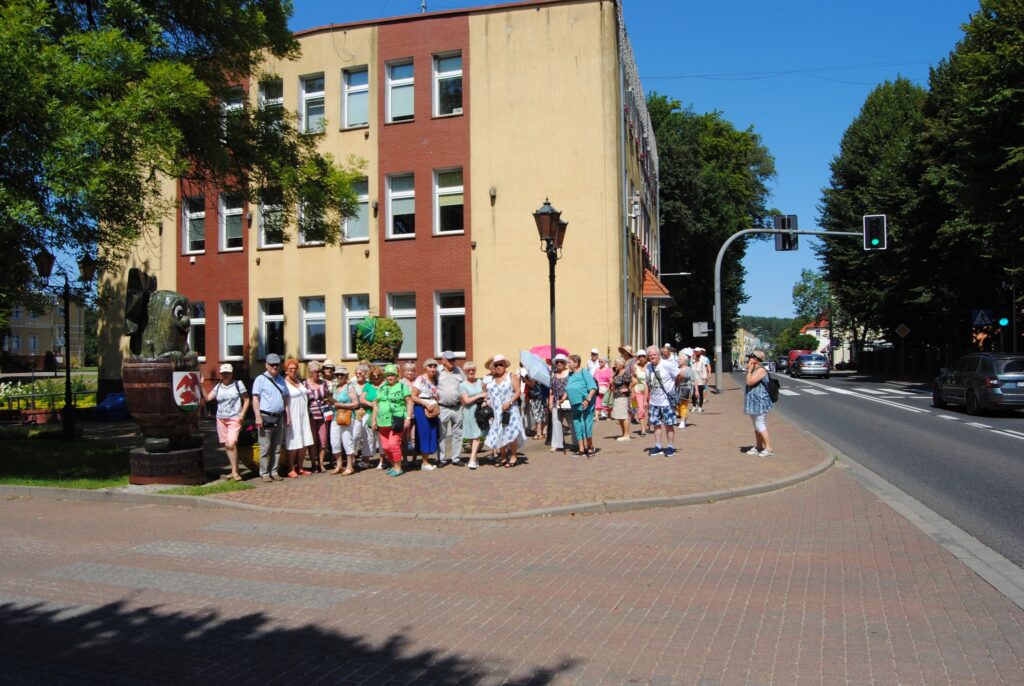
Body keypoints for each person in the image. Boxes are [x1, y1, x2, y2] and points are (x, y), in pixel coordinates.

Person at [205, 362, 250, 481]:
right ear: (220, 374)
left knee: (231, 443)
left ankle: (235, 472)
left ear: (232, 374)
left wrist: (242, 414)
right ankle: (234, 470)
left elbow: (246, 399)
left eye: (227, 373)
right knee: (227, 445)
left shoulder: (238, 384)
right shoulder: (218, 386)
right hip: (221, 419)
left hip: (234, 418)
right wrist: (200, 385)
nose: (225, 375)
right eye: (223, 373)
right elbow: (207, 398)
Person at [371, 364, 414, 476]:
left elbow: (409, 402)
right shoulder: (381, 387)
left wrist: (408, 418)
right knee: (385, 447)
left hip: (397, 419)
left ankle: (398, 468)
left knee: (393, 444)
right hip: (382, 421)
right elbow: (376, 405)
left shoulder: (402, 387)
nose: (390, 377)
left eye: (392, 375)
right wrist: (373, 420)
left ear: (396, 376)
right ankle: (393, 465)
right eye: (388, 375)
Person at [251, 353, 288, 483]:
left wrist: (287, 415)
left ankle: (274, 471)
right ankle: (264, 473)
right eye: (272, 364)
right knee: (265, 447)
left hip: (279, 417)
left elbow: (285, 398)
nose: (274, 367)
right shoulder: (260, 379)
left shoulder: (281, 380)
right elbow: (255, 399)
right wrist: (257, 416)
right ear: (266, 365)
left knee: (277, 447)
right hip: (265, 416)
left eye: (277, 365)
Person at [484, 354, 525, 466]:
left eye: (501, 364)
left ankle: (513, 456)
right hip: (497, 412)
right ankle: (503, 457)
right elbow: (486, 392)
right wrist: (486, 401)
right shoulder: (492, 378)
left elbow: (518, 392)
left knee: (511, 434)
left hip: (510, 410)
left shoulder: (511, 376)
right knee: (499, 433)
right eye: (496, 365)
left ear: (505, 365)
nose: (498, 367)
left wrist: (510, 402)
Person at [645, 345, 682, 457]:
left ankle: (670, 447)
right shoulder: (648, 367)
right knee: (656, 425)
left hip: (666, 401)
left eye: (654, 355)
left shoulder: (666, 365)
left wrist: (674, 387)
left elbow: (680, 375)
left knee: (669, 425)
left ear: (659, 355)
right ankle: (658, 446)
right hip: (654, 402)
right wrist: (646, 400)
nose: (652, 357)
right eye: (650, 355)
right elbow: (647, 384)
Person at [282, 358, 314, 477]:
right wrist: (287, 416)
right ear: (286, 370)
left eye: (295, 368)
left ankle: (300, 467)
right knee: (293, 442)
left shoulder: (299, 381)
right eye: (290, 369)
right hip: (293, 415)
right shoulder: (284, 383)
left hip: (303, 415)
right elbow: (284, 401)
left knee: (304, 441)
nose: (293, 371)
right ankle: (291, 468)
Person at [328, 364, 361, 476]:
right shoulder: (336, 387)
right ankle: (339, 465)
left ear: (345, 375)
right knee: (334, 441)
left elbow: (356, 403)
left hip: (346, 417)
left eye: (341, 374)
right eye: (337, 375)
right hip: (335, 417)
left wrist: (342, 405)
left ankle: (350, 466)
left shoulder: (349, 387)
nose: (339, 377)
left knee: (347, 441)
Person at [564, 353, 598, 457]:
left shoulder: (584, 372)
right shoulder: (570, 375)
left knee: (586, 425)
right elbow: (569, 389)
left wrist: (587, 400)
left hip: (585, 402)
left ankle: (590, 446)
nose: (567, 364)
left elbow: (592, 388)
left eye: (569, 362)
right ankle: (581, 448)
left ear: (576, 363)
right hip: (574, 404)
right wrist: (563, 398)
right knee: (577, 425)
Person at [411, 359, 441, 470]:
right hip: (422, 408)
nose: (432, 368)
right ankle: (424, 462)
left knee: (432, 433)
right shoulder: (420, 379)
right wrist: (425, 404)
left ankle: (426, 460)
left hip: (432, 409)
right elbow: (413, 396)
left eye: (434, 366)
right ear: (425, 367)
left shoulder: (434, 380)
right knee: (424, 433)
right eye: (430, 366)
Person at [744, 348, 775, 457]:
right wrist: (750, 369)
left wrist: (749, 370)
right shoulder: (754, 370)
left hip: (760, 402)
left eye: (750, 358)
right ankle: (759, 446)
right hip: (754, 402)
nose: (748, 360)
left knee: (760, 425)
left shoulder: (761, 370)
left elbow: (749, 382)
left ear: (756, 360)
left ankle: (769, 448)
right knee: (756, 426)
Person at [436, 351, 465, 465]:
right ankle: (442, 459)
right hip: (442, 408)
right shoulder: (437, 371)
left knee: (457, 434)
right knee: (441, 435)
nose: (453, 362)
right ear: (443, 360)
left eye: (454, 359)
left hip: (457, 407)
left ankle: (456, 458)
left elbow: (465, 385)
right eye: (450, 360)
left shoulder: (459, 371)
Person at [459, 361, 487, 469]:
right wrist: (479, 395)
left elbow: (485, 393)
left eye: (473, 370)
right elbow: (466, 400)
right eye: (469, 370)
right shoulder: (462, 385)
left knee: (477, 435)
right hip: (469, 411)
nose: (471, 372)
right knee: (471, 435)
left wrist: (484, 400)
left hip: (479, 411)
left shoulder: (480, 381)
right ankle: (475, 457)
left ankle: (471, 459)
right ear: (465, 372)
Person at [303, 360, 329, 472]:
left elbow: (327, 397)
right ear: (310, 372)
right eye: (316, 371)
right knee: (313, 440)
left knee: (323, 440)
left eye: (319, 371)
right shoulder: (304, 384)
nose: (319, 374)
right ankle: (313, 463)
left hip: (323, 414)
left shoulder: (324, 383)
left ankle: (321, 464)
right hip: (311, 415)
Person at [351, 364, 377, 469]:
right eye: (356, 373)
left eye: (360, 373)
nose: (358, 375)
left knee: (367, 437)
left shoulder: (369, 384)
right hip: (355, 412)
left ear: (365, 374)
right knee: (354, 436)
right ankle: (351, 459)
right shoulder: (351, 384)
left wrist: (370, 404)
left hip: (367, 412)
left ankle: (365, 459)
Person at [548, 353, 574, 454]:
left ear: (565, 363)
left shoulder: (570, 373)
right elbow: (551, 389)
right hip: (556, 401)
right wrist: (550, 402)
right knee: (556, 422)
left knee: (571, 422)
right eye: (557, 362)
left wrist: (564, 398)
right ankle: (557, 444)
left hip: (568, 401)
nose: (559, 363)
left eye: (561, 362)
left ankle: (576, 443)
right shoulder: (553, 373)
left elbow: (571, 387)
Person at [610, 357, 632, 441]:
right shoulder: (616, 373)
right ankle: (623, 434)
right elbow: (614, 385)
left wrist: (628, 389)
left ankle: (626, 435)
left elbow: (633, 381)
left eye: (616, 363)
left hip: (623, 397)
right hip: (616, 396)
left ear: (621, 364)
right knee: (620, 416)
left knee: (623, 416)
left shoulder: (625, 372)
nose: (615, 365)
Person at [630, 350, 650, 436]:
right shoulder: (635, 367)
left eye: (643, 356)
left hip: (650, 391)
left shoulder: (650, 365)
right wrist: (632, 392)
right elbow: (633, 380)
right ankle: (643, 429)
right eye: (639, 356)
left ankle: (648, 424)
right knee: (641, 409)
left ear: (646, 357)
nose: (641, 358)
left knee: (650, 410)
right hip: (639, 390)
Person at [691, 347, 711, 412]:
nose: (693, 356)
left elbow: (704, 372)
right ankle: (694, 406)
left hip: (700, 381)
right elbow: (691, 371)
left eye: (694, 355)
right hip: (694, 381)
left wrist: (705, 380)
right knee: (693, 394)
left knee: (700, 393)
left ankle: (700, 407)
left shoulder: (702, 362)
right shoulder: (692, 363)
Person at [593, 356, 613, 420]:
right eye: (599, 361)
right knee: (598, 402)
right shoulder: (597, 370)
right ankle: (596, 416)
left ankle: (609, 415)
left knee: (607, 401)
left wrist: (609, 387)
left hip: (606, 388)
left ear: (605, 362)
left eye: (601, 361)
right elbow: (594, 378)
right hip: (599, 388)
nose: (599, 362)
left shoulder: (608, 370)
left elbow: (611, 379)